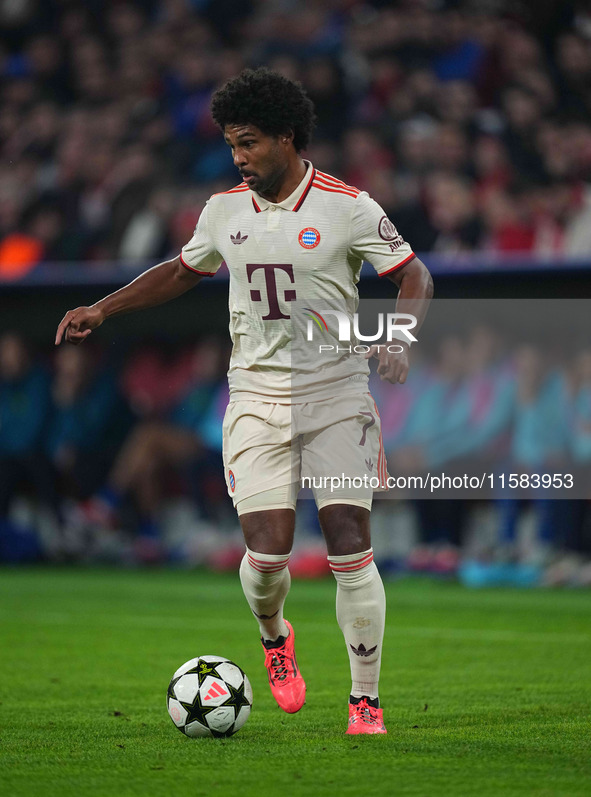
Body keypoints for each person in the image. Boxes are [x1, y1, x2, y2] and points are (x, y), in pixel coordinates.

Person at [55, 68, 433, 735]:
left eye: (249, 142)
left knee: (349, 542)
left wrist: (399, 338)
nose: (239, 156)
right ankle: (273, 636)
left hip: (337, 392)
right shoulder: (223, 210)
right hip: (255, 396)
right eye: (232, 144)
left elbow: (413, 276)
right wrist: (103, 308)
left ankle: (364, 700)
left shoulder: (346, 205)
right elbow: (179, 270)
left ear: (286, 137)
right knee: (267, 556)